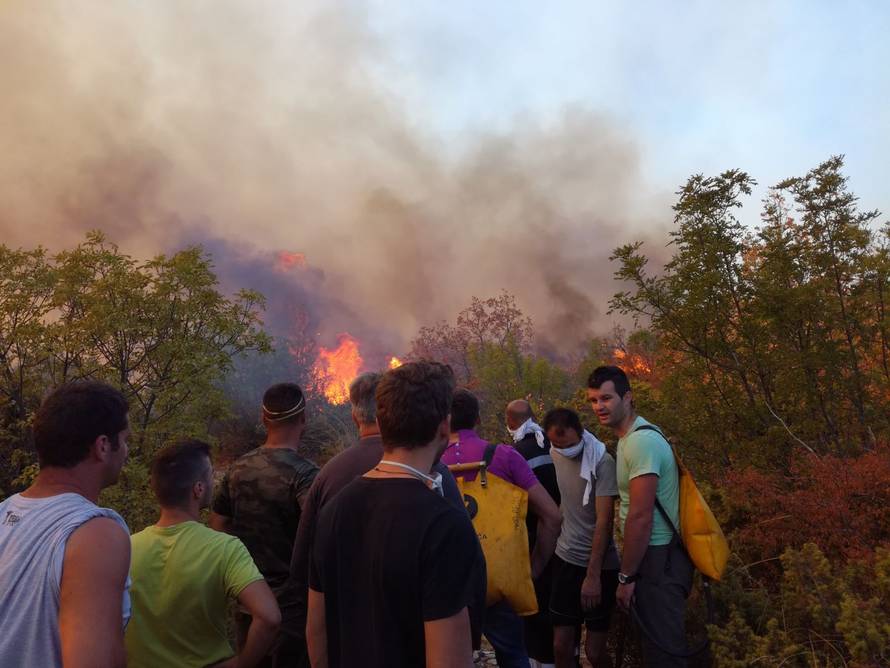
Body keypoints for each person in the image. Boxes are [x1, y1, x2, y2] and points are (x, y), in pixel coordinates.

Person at [289, 372, 482, 652]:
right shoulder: (444, 519)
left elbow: (314, 623)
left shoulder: (331, 498)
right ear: (444, 428)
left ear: (378, 421)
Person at [0, 381, 132, 667]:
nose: (127, 452)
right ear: (103, 446)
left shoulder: (2, 514)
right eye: (125, 440)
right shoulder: (95, 534)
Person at [126, 440, 281, 668]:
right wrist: (241, 664)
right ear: (198, 489)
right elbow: (270, 617)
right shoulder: (224, 548)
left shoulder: (126, 548)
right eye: (210, 475)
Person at [443, 389, 562, 668]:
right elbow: (552, 517)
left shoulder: (430, 464)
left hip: (449, 584)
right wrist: (533, 569)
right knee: (514, 656)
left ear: (444, 421)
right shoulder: (505, 456)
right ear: (479, 420)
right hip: (498, 580)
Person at [587, 366, 692, 667]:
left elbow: (640, 517)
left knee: (665, 655)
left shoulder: (640, 443)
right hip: (655, 558)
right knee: (658, 649)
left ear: (628, 397)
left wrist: (627, 577)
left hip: (658, 560)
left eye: (606, 398)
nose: (599, 407)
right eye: (593, 400)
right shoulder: (630, 438)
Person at [210, 383, 319, 668]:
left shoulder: (237, 469)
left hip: (248, 599)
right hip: (292, 608)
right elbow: (319, 534)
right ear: (304, 419)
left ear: (263, 418)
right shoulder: (306, 475)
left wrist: (240, 570)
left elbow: (218, 522)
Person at [542, 408, 620, 668]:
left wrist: (593, 576)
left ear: (581, 431)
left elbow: (604, 521)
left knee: (595, 653)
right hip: (565, 559)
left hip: (599, 566)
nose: (565, 449)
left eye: (570, 444)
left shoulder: (602, 461)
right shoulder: (553, 452)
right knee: (560, 647)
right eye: (557, 444)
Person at [506, 399, 562, 668]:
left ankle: (540, 660)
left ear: (512, 423)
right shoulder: (553, 445)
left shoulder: (515, 454)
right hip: (566, 541)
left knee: (535, 607)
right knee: (558, 608)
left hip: (534, 538)